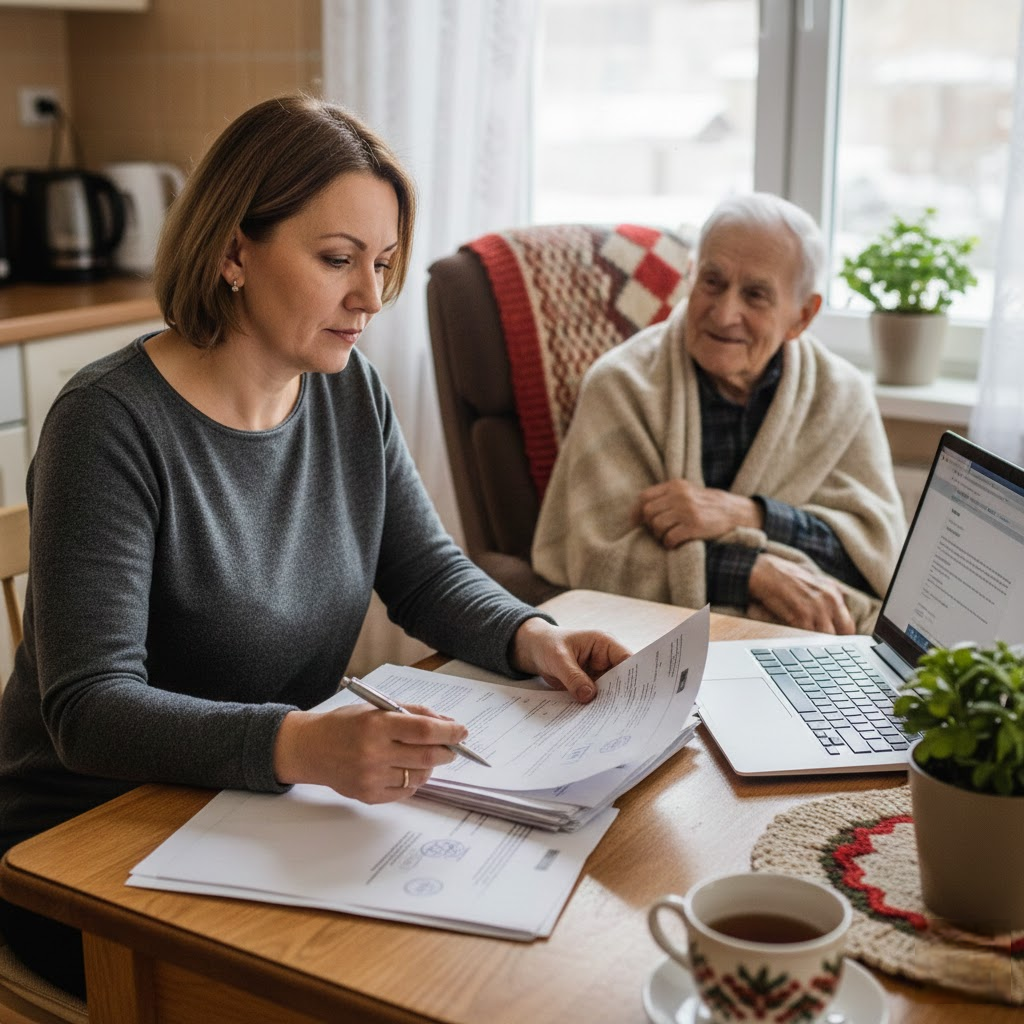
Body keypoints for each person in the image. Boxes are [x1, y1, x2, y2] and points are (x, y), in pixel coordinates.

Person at [0, 95, 630, 998]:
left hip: (257, 813)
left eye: (380, 263)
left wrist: (530, 637)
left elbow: (421, 569)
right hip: (87, 852)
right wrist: (304, 747)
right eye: (337, 260)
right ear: (232, 251)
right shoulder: (109, 424)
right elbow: (89, 709)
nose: (371, 298)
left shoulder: (343, 389)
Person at [532, 192, 907, 636]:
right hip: (650, 646)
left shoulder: (843, 396)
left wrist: (748, 515)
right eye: (712, 281)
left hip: (806, 648)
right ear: (691, 276)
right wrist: (751, 572)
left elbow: (877, 560)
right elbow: (599, 562)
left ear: (802, 316)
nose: (725, 313)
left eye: (755, 295)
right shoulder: (620, 385)